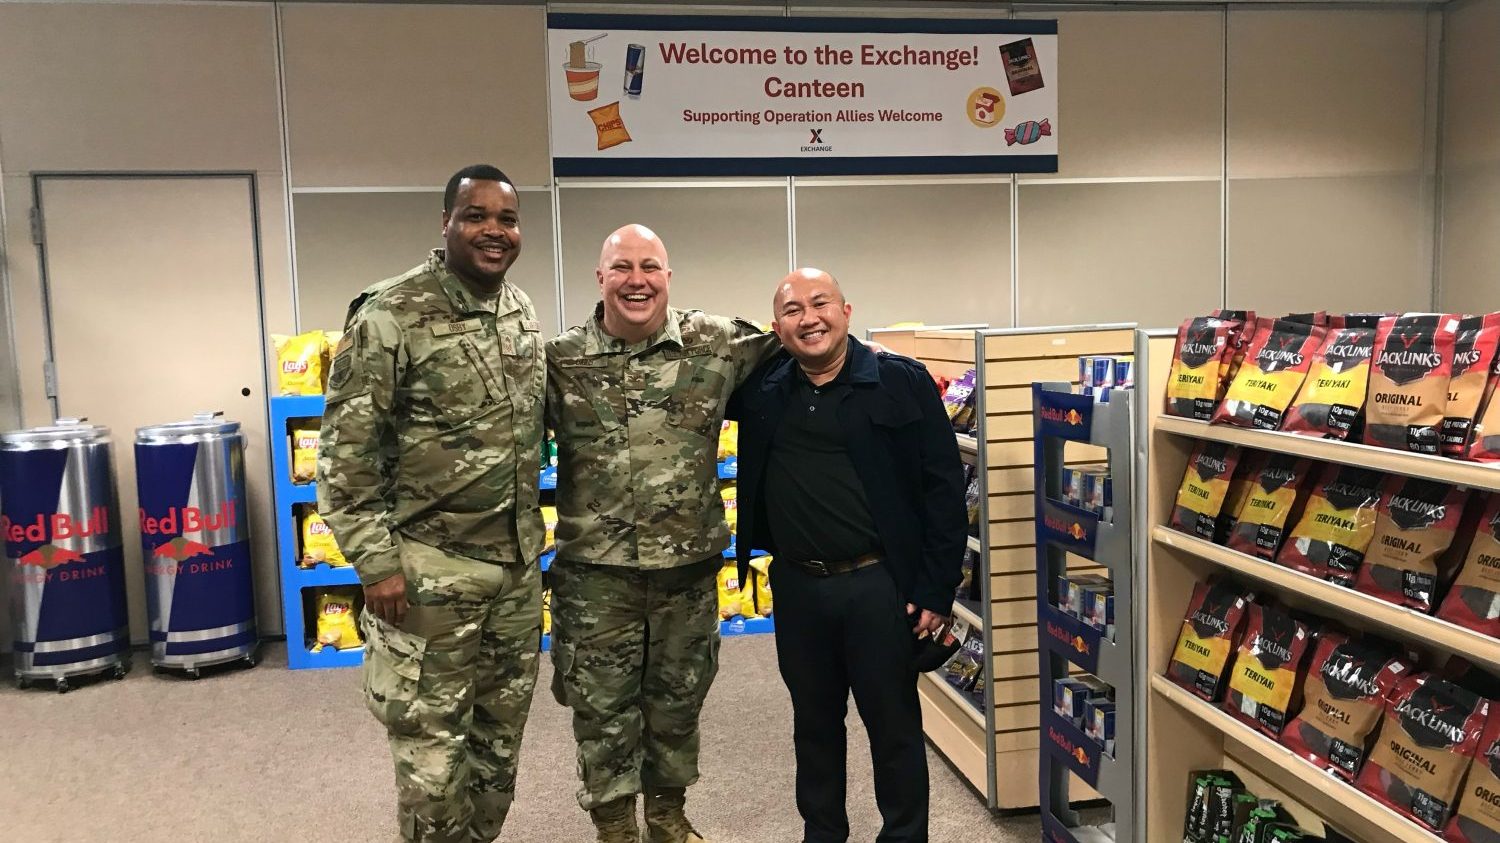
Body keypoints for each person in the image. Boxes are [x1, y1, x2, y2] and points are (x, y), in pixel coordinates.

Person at [317, 164, 546, 843]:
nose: (493, 231)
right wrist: (376, 563)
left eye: (506, 218)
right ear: (445, 223)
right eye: (476, 216)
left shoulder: (520, 309)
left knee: (496, 759)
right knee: (432, 764)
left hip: (513, 574)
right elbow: (343, 456)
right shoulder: (389, 314)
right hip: (427, 577)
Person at [543, 224, 780, 843]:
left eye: (650, 267)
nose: (637, 280)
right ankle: (616, 826)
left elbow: (804, 345)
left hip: (688, 574)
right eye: (622, 267)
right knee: (601, 710)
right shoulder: (561, 359)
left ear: (669, 278)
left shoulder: (718, 344)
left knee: (678, 701)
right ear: (600, 278)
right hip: (595, 576)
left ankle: (668, 817)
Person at [727, 268, 967, 843]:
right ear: (776, 326)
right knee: (812, 727)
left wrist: (935, 590)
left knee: (894, 729)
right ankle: (823, 834)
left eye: (820, 303)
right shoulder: (763, 388)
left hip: (877, 588)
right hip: (797, 586)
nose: (808, 318)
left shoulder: (899, 382)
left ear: (847, 310)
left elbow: (942, 489)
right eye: (791, 310)